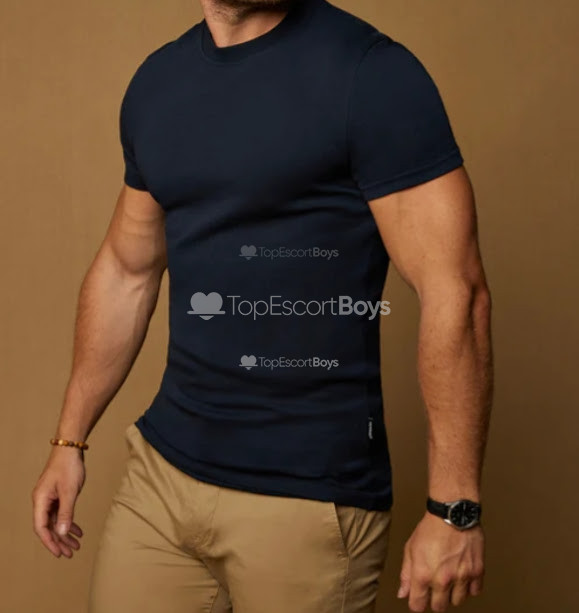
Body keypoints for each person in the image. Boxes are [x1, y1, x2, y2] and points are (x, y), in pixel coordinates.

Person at [31, 0, 492, 612]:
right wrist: (69, 441)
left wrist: (454, 510)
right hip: (163, 481)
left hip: (307, 501)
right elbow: (126, 270)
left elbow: (455, 289)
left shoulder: (371, 75)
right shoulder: (159, 83)